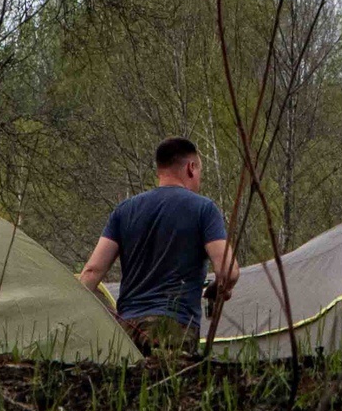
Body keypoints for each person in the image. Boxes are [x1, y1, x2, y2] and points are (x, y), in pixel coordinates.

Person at [80, 138, 240, 354]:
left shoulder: (124, 211)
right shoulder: (204, 209)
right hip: (174, 328)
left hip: (127, 331)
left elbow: (92, 271)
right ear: (191, 168)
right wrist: (219, 288)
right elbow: (229, 271)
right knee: (168, 386)